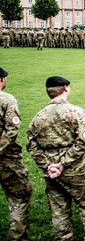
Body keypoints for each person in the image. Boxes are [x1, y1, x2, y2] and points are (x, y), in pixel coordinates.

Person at [27, 76, 85, 241]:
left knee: (59, 211)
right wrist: (63, 163)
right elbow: (84, 140)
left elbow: (31, 145)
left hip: (52, 174)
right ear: (66, 88)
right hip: (77, 172)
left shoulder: (38, 117)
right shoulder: (76, 112)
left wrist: (48, 165)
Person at [0, 67, 32, 240]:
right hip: (7, 160)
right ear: (2, 80)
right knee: (19, 196)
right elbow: (12, 129)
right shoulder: (6, 99)